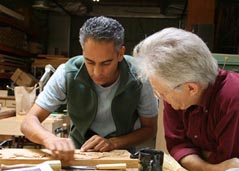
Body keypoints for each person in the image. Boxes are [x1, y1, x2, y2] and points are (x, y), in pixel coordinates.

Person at [132, 27, 239, 171]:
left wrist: (197, 156)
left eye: (162, 93)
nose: (161, 98)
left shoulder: (237, 98)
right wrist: (213, 167)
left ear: (191, 88)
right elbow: (177, 147)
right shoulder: (178, 94)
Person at [21, 16, 158, 161]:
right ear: (82, 52)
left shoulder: (140, 75)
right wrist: (49, 139)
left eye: (106, 63)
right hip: (78, 153)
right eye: (90, 62)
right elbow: (28, 121)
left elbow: (150, 129)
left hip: (122, 155)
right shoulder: (66, 73)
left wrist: (113, 143)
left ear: (120, 54)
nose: (97, 72)